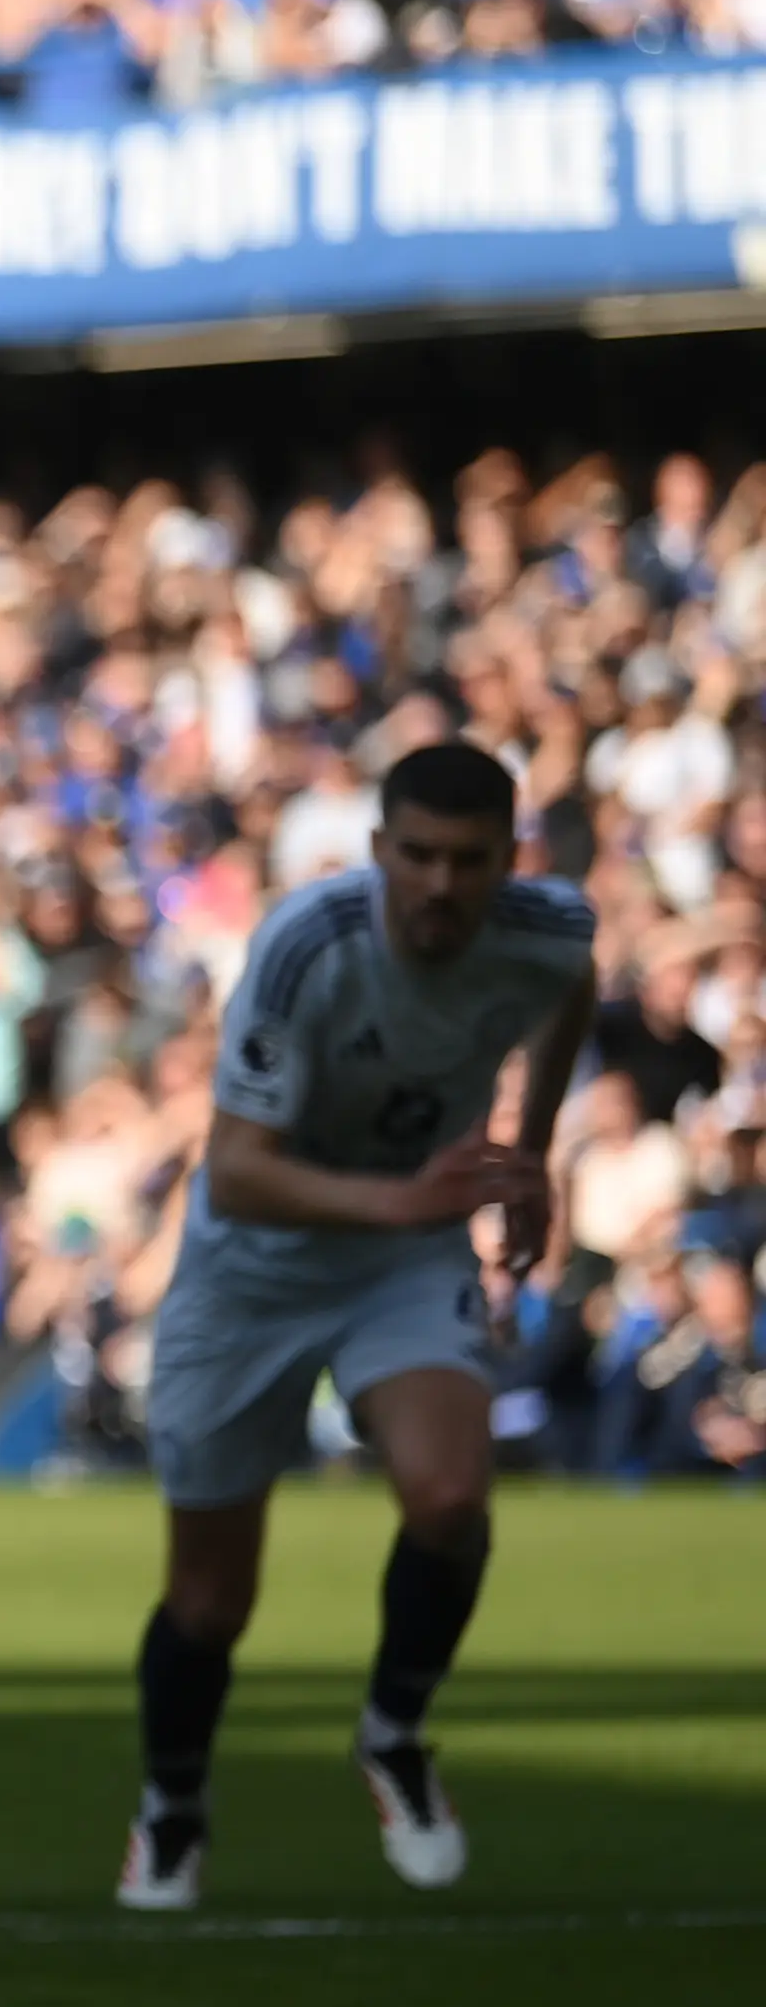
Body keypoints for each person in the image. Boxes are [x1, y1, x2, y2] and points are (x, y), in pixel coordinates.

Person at [119, 741, 595, 1912]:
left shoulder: (548, 930)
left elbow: (569, 992)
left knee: (448, 1495)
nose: (440, 884)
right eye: (417, 856)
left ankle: (393, 1733)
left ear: (505, 859)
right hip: (252, 1269)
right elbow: (234, 1171)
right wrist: (411, 1196)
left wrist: (529, 1153)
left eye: (468, 860)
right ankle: (172, 1804)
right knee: (210, 1598)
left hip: (401, 1255)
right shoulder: (305, 944)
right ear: (379, 850)